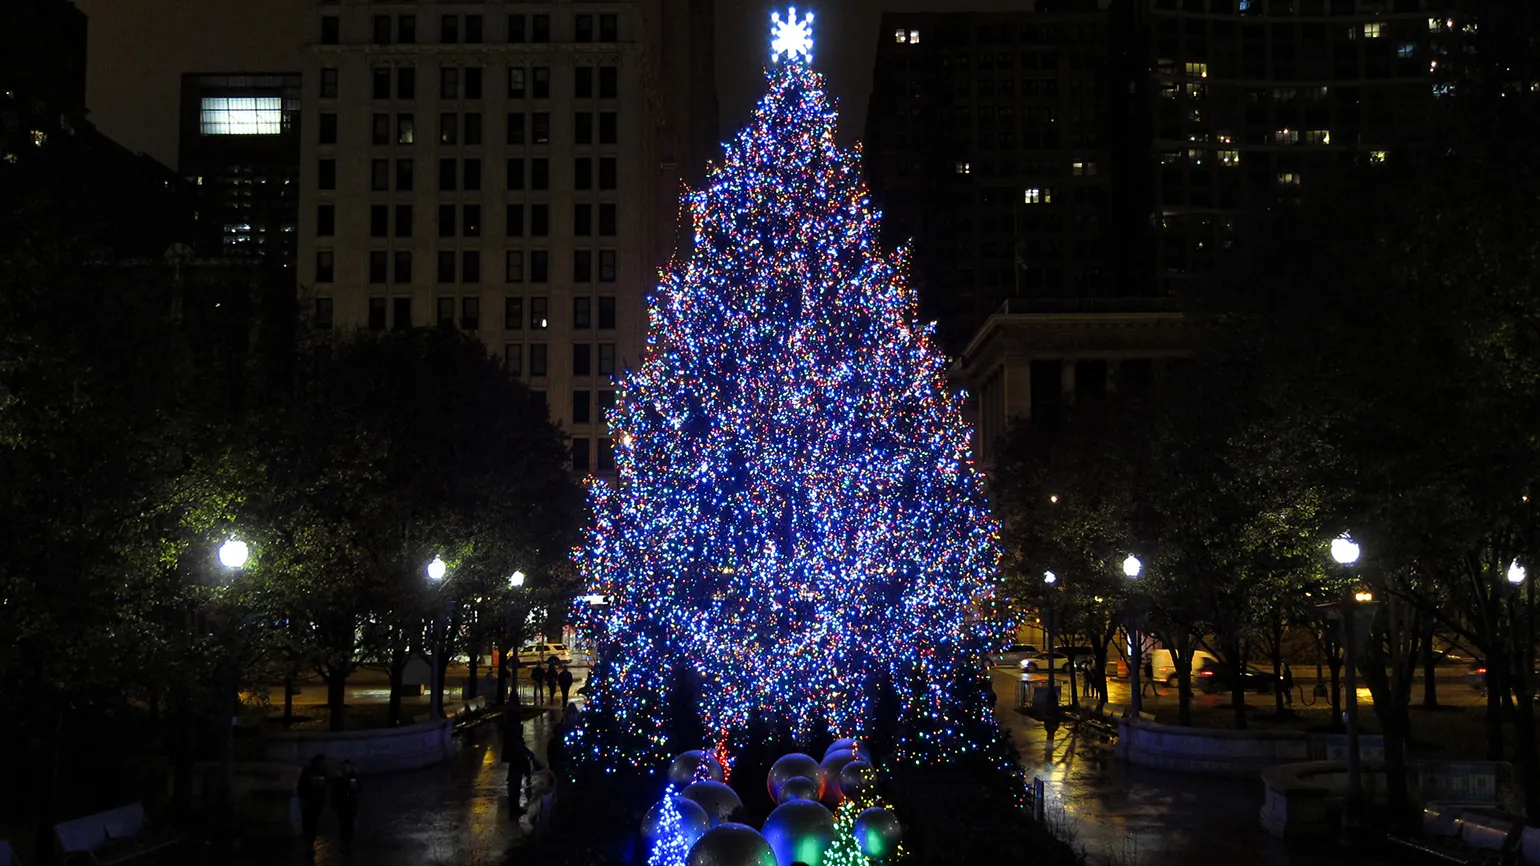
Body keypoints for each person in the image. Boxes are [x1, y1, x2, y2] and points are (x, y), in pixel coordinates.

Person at [297, 754, 328, 848]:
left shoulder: (322, 772)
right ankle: (308, 843)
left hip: (316, 801)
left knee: (313, 824)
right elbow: (301, 786)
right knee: (309, 824)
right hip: (309, 801)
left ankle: (310, 843)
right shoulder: (308, 772)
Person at [331, 759, 360, 856]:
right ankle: (344, 842)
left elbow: (359, 789)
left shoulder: (353, 777)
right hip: (343, 805)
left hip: (349, 804)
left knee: (348, 825)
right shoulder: (339, 779)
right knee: (343, 825)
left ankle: (347, 843)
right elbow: (334, 791)